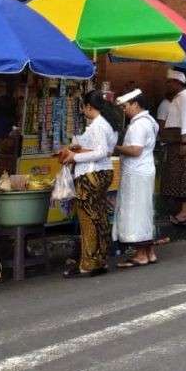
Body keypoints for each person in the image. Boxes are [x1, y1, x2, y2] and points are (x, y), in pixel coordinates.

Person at [58, 90, 119, 278]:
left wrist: (75, 156)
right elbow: (103, 150)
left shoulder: (98, 126)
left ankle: (89, 263)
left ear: (89, 107)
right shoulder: (103, 124)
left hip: (91, 173)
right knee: (98, 216)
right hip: (99, 173)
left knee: (88, 219)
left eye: (83, 108)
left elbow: (101, 151)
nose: (83, 111)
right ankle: (98, 260)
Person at [113, 88, 159, 268]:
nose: (124, 109)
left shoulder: (139, 124)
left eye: (125, 106)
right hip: (144, 170)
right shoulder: (150, 121)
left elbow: (135, 150)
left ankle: (140, 254)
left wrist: (116, 148)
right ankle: (149, 252)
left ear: (135, 104)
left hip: (136, 172)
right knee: (145, 210)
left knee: (135, 212)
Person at [159, 69, 186, 225]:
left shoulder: (185, 98)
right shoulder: (178, 98)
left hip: (183, 142)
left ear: (178, 83)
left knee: (184, 175)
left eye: (169, 82)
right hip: (175, 142)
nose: (167, 85)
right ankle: (178, 209)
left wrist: (184, 142)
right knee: (175, 176)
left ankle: (185, 211)